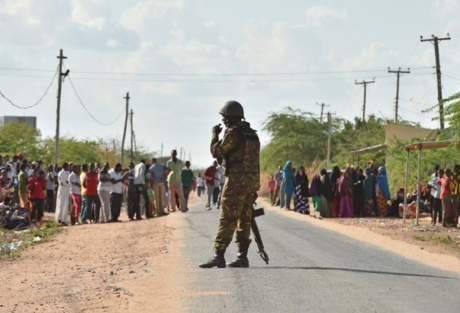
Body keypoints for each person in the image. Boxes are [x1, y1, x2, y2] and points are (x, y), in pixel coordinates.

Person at [199, 100, 260, 268]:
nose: (223, 121)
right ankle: (242, 256)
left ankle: (218, 255)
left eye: (225, 117)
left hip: (237, 181)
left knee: (228, 217)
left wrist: (214, 135)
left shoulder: (233, 133)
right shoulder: (252, 134)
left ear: (231, 118)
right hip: (251, 182)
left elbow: (216, 151)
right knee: (245, 218)